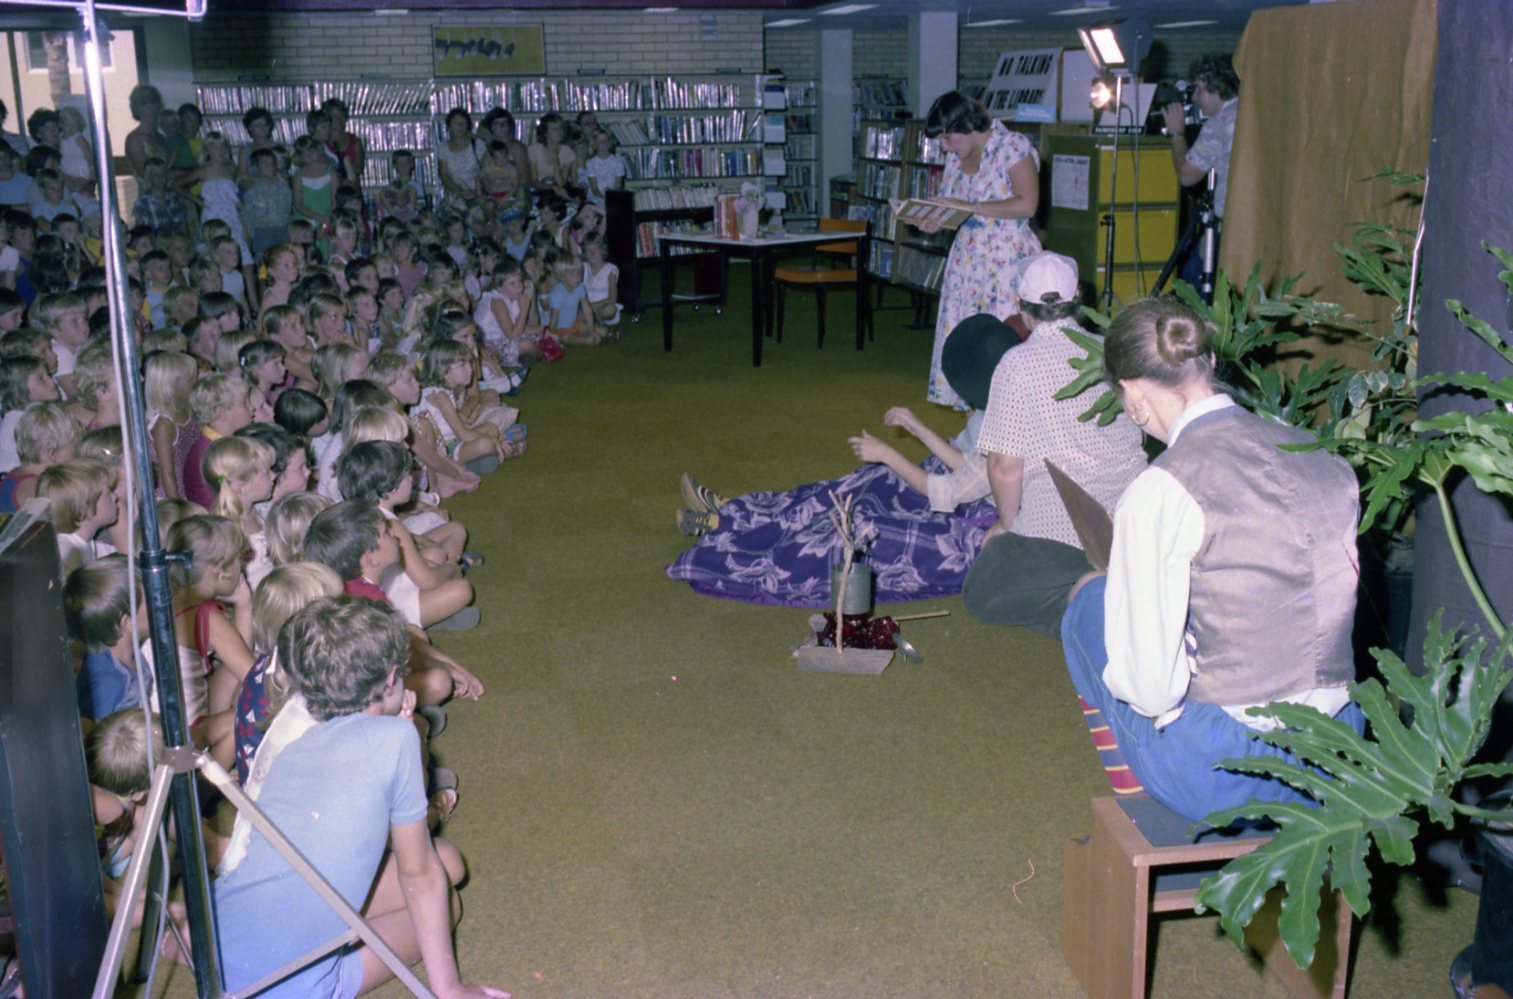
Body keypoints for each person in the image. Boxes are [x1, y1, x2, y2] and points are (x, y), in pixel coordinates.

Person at [1060, 298, 1362, 824]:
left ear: (1133, 393)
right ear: (1211, 363)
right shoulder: (1320, 454)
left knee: (1088, 602)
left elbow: (1151, 691)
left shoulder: (1161, 489)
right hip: (1338, 751)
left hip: (1228, 771)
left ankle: (1147, 817)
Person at [211, 595, 507, 999]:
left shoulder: (294, 735)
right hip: (287, 988)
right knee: (445, 900)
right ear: (390, 679)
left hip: (218, 947)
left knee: (446, 862)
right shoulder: (396, 739)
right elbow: (417, 873)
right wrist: (450, 989)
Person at [666, 315, 1020, 607]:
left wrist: (889, 454)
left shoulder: (1010, 431)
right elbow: (967, 464)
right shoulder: (1000, 406)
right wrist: (918, 429)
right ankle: (736, 514)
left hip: (972, 529)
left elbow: (949, 493)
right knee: (860, 486)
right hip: (961, 496)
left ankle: (733, 538)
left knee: (855, 529)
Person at [960, 252, 1146, 636]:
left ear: (1020, 306)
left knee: (981, 592)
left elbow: (1004, 467)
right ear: (1078, 297)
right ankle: (1120, 585)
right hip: (1133, 518)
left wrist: (1007, 525)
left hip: (1062, 526)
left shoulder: (1017, 364)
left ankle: (1090, 603)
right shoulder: (1112, 350)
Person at [913, 91, 1042, 410]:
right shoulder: (955, 159)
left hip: (1006, 260)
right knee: (968, 347)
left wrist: (971, 206)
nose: (944, 146)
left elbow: (1028, 204)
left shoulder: (1012, 146)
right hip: (967, 263)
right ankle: (974, 428)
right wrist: (934, 220)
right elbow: (954, 208)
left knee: (1000, 343)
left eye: (947, 137)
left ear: (967, 125)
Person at [1163, 54, 1240, 293]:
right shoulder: (1249, 113)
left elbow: (1187, 175)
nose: (1195, 97)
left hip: (1229, 226)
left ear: (1217, 88)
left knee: (1192, 280)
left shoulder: (1220, 123)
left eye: (1199, 89)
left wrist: (1177, 133)